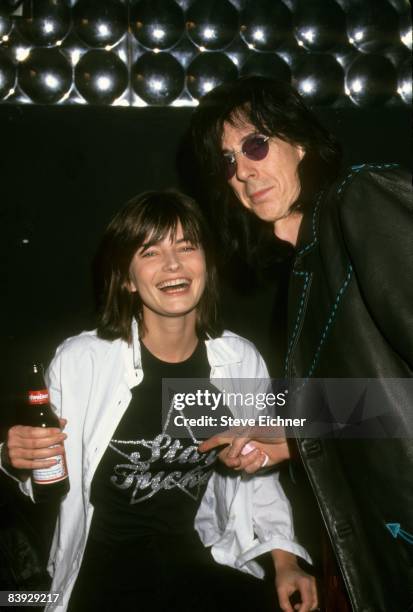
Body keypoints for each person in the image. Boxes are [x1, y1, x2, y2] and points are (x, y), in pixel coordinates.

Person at [0, 190, 317, 612]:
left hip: (196, 564)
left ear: (207, 264)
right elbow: (45, 482)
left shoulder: (238, 360)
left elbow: (260, 472)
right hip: (98, 577)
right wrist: (13, 456)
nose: (173, 264)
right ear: (128, 278)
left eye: (187, 247)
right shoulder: (83, 361)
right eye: (150, 252)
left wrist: (285, 561)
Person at [191, 76, 413, 612]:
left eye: (256, 144)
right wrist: (293, 439)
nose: (241, 169)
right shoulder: (306, 276)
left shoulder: (358, 199)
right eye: (227, 161)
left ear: (301, 143)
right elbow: (386, 400)